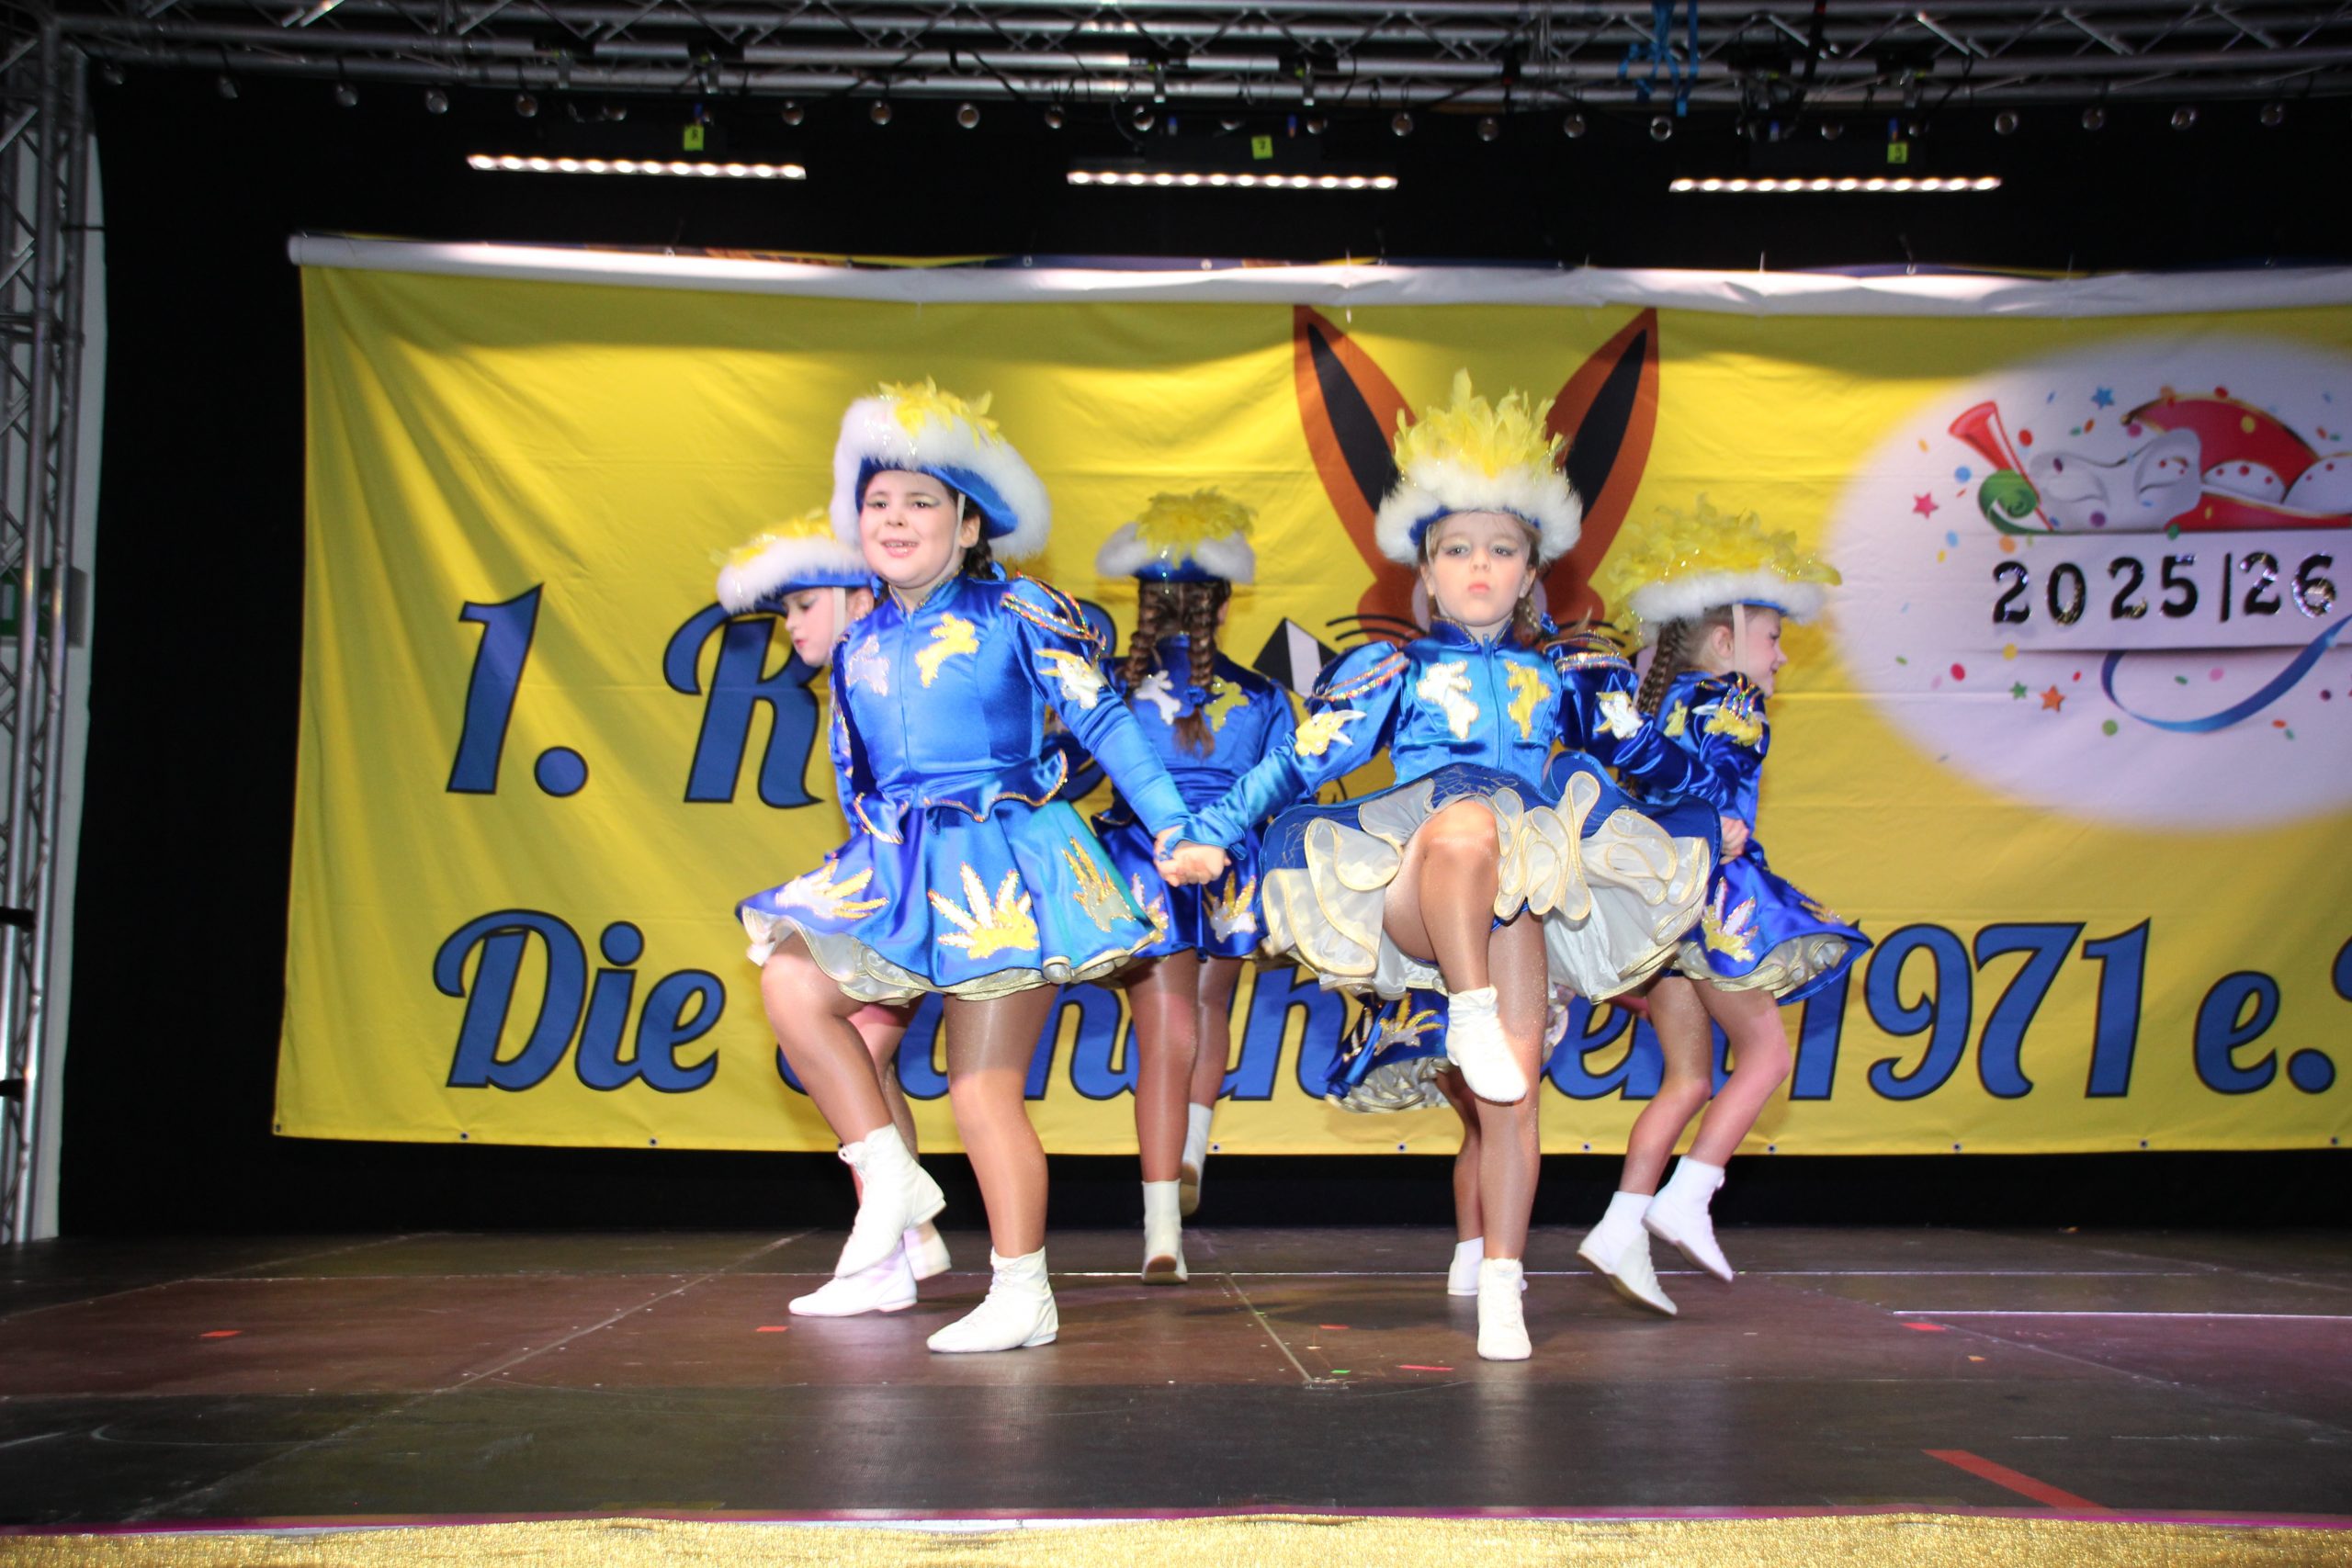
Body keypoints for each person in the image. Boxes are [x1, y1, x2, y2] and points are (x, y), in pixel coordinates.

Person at [1182, 373, 1711, 1359]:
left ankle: (1503, 1284)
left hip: (1513, 893)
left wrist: (1713, 791)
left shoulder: (1568, 675)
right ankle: (1466, 1008)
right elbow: (1300, 758)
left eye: (1501, 549)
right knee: (1466, 821)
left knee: (1513, 1093)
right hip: (1411, 881)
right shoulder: (1394, 670)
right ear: (1425, 569)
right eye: (1458, 549)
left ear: (1530, 573)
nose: (1479, 566)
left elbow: (1655, 759)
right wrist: (1212, 828)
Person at [738, 381, 1227, 1354]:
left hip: (1004, 865)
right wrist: (867, 869)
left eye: (921, 502)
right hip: (899, 866)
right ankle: (891, 1179)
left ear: (967, 527)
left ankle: (1021, 1290)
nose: (894, 519)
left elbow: (1102, 719)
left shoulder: (1015, 610)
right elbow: (856, 776)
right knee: (791, 981)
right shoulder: (861, 640)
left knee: (980, 1090)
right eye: (878, 502)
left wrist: (1173, 826)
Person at [1574, 498, 1871, 1314]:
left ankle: (1620, 1225)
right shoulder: (1733, 698)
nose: (1781, 655)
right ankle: (1690, 1193)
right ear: (1725, 641)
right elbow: (1708, 781)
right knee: (1767, 1056)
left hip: (1663, 905)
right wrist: (1714, 817)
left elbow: (1653, 775)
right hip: (1716, 899)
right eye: (1772, 637)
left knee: (1688, 1078)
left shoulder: (1664, 700)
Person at [715, 509, 953, 1316]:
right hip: (906, 880)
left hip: (930, 885)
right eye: (785, 610)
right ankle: (904, 1246)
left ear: (860, 597)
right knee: (863, 1062)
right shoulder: (861, 668)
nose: (789, 625)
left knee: (822, 1022)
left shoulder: (890, 664)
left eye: (802, 604)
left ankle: (899, 1227)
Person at [1089, 490, 1295, 1280]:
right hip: (1226, 863)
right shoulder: (1264, 696)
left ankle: (1161, 1231)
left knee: (1165, 1031)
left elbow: (1066, 767)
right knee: (1209, 1010)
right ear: (1225, 605)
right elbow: (1289, 789)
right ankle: (1193, 1155)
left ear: (1145, 607)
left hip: (1145, 858)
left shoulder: (1108, 691)